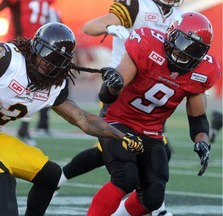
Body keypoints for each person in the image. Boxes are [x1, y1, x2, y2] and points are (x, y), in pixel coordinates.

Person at [0, 22, 143, 216]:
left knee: (51, 175)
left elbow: (83, 119)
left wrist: (119, 135)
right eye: (44, 55)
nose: (45, 63)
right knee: (3, 179)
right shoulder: (7, 59)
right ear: (34, 47)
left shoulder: (54, 85)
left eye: (53, 61)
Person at [86, 11, 220, 216]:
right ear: (172, 34)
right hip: (118, 121)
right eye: (183, 42)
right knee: (126, 177)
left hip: (152, 132)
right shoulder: (147, 45)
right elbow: (108, 93)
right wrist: (113, 85)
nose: (184, 52)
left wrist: (201, 141)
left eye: (193, 48)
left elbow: (198, 120)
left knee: (154, 196)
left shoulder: (203, 72)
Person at [58, 0, 183, 215]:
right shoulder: (136, 6)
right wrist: (110, 28)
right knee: (137, 150)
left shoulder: (179, 16)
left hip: (152, 89)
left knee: (124, 149)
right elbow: (89, 27)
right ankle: (157, 207)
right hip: (122, 87)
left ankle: (59, 177)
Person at [0, 0, 58, 145]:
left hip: (33, 47)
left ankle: (25, 127)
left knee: (34, 87)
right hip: (22, 46)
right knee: (9, 84)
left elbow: (1, 7)